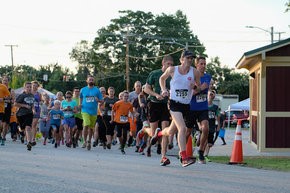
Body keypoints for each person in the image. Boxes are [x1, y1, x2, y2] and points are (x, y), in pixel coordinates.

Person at [151, 50, 201, 167]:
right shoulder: (173, 70)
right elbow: (162, 79)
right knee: (182, 129)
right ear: (181, 59)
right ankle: (183, 157)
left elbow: (198, 88)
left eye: (191, 58)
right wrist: (163, 89)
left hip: (186, 105)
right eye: (188, 58)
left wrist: (194, 87)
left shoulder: (195, 72)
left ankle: (159, 133)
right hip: (174, 103)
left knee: (170, 131)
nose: (190, 60)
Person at [144, 55, 173, 157]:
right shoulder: (155, 74)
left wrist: (169, 94)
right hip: (154, 104)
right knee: (153, 131)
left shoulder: (172, 76)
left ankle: (163, 154)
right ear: (163, 63)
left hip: (165, 105)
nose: (170, 66)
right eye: (168, 64)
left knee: (165, 128)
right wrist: (156, 94)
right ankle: (148, 145)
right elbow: (146, 89)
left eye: (171, 64)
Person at [188, 56, 212, 164]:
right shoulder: (191, 77)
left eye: (204, 64)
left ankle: (201, 152)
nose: (203, 66)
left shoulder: (208, 77)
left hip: (203, 108)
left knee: (206, 128)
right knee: (187, 132)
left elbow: (208, 88)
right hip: (192, 108)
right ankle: (182, 152)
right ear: (196, 65)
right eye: (201, 64)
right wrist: (201, 88)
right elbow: (190, 94)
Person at [80, 75, 103, 151]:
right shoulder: (83, 90)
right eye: (90, 80)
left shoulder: (97, 90)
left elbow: (102, 101)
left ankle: (89, 141)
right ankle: (84, 140)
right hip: (85, 110)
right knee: (86, 124)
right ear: (87, 81)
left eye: (92, 80)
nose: (91, 81)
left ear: (94, 81)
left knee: (91, 128)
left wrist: (98, 100)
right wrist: (80, 104)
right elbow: (80, 97)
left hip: (93, 112)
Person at [15, 82, 35, 151]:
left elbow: (32, 104)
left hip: (29, 114)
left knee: (28, 127)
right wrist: (24, 105)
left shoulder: (32, 95)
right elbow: (15, 104)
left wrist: (33, 109)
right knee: (22, 129)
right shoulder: (22, 95)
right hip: (21, 114)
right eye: (28, 87)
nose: (29, 88)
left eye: (30, 87)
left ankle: (29, 142)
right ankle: (19, 128)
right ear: (25, 88)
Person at [204, 90, 220, 162]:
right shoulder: (203, 106)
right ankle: (202, 153)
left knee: (209, 143)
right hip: (204, 125)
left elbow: (217, 116)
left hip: (212, 126)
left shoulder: (215, 107)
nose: (211, 95)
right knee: (202, 141)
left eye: (213, 94)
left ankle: (205, 155)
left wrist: (219, 125)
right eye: (210, 94)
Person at [0, 76, 12, 145]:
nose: (5, 82)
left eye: (6, 80)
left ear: (8, 82)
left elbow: (12, 99)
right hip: (1, 108)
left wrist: (4, 100)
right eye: (3, 80)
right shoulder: (1, 87)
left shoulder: (10, 90)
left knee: (5, 125)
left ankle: (3, 137)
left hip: (7, 108)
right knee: (1, 125)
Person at [31, 81, 42, 145]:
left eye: (36, 86)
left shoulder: (39, 94)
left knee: (34, 125)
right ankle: (28, 138)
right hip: (29, 110)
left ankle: (33, 139)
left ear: (38, 87)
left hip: (37, 110)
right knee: (29, 125)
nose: (34, 87)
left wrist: (40, 103)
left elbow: (40, 102)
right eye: (33, 85)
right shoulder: (28, 92)